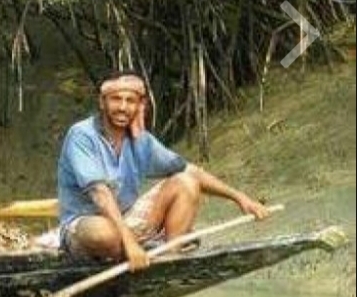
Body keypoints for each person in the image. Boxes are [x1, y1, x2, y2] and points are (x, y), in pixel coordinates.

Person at [57, 70, 270, 271]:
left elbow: (190, 170)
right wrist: (129, 242)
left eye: (130, 101)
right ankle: (134, 249)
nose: (122, 107)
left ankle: (169, 255)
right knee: (105, 235)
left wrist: (240, 198)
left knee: (186, 182)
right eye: (115, 99)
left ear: (140, 106)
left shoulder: (141, 140)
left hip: (126, 221)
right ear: (102, 103)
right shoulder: (82, 135)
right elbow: (99, 193)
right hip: (84, 227)